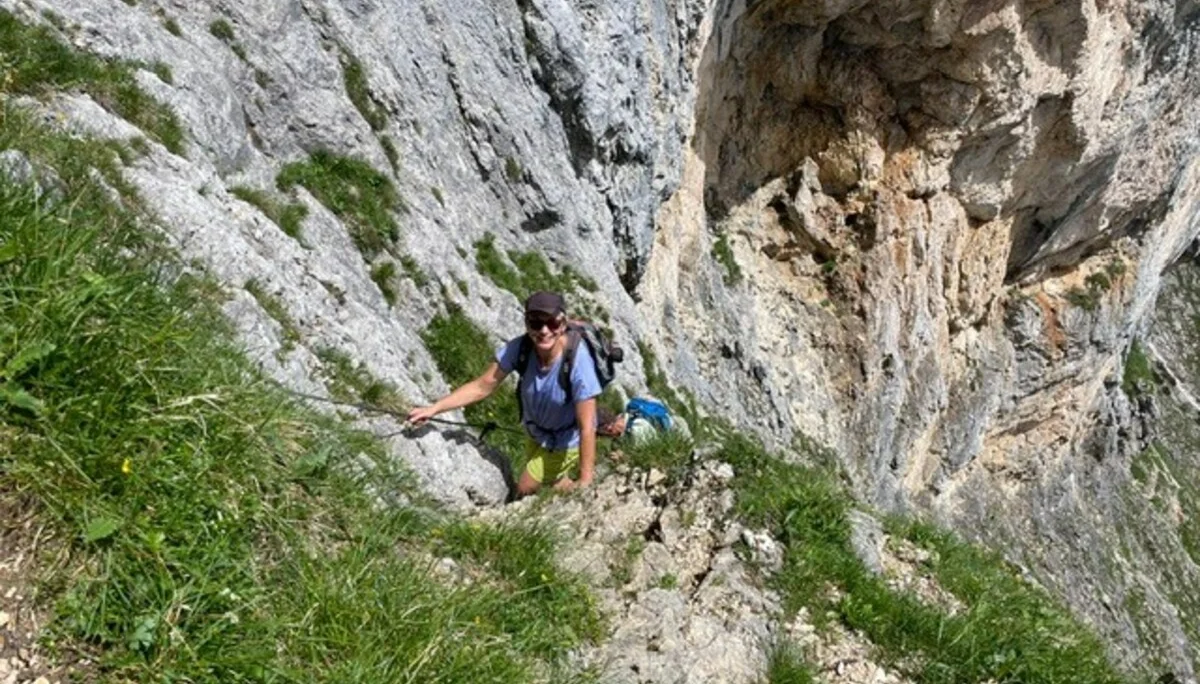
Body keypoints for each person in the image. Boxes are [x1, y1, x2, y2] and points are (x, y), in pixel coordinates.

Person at [406, 291, 601, 497]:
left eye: (552, 323)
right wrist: (434, 408)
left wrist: (586, 480)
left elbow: (587, 425)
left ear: (562, 325)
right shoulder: (520, 348)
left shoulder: (578, 362)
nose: (544, 331)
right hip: (535, 429)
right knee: (552, 479)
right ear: (526, 323)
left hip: (565, 437)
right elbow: (482, 386)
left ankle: (577, 496)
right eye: (535, 323)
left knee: (525, 486)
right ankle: (567, 491)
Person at [597, 396, 690, 444]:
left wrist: (623, 457)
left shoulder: (636, 428)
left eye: (607, 435)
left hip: (679, 434)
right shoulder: (628, 415)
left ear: (608, 428)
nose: (610, 437)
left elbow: (649, 451)